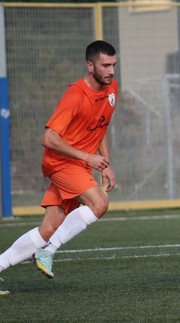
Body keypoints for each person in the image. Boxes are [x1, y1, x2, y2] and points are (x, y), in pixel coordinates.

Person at [0, 40, 118, 295]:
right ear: (90, 66)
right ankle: (49, 249)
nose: (111, 71)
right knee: (100, 204)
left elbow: (101, 126)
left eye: (113, 65)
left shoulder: (111, 89)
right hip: (62, 163)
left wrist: (105, 164)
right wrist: (87, 158)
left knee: (47, 229)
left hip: (79, 165)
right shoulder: (75, 95)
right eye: (105, 65)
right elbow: (49, 139)